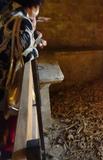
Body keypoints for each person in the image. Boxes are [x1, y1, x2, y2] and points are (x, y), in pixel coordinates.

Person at [0, 0, 47, 158]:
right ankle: (7, 147)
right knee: (12, 108)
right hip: (6, 77)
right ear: (34, 6)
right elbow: (26, 55)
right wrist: (36, 42)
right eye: (39, 8)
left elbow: (17, 42)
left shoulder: (11, 14)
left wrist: (34, 38)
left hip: (3, 71)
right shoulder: (24, 21)